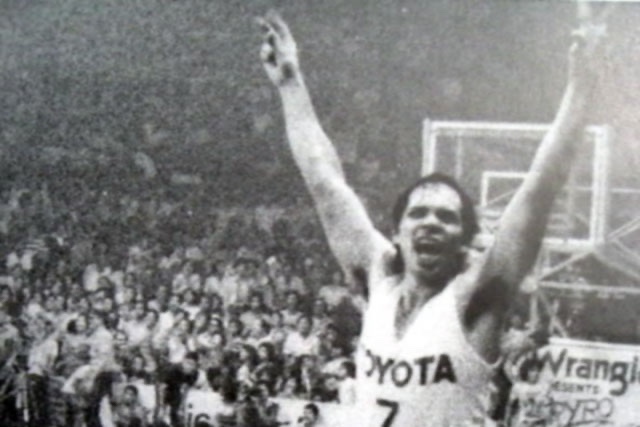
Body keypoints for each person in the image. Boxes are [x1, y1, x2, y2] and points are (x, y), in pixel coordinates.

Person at [258, 11, 602, 426]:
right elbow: (325, 183)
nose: (431, 223)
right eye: (418, 213)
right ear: (397, 232)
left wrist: (580, 87)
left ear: (464, 240)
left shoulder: (475, 298)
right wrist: (290, 83)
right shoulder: (379, 282)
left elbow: (540, 188)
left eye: (446, 217)